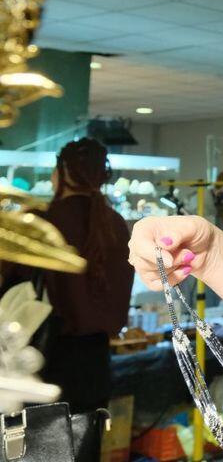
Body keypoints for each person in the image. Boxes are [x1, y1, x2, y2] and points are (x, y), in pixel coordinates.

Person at [13, 138, 132, 412]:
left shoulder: (43, 221)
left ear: (63, 172)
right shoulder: (114, 224)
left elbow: (13, 286)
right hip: (97, 362)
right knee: (88, 433)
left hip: (44, 356)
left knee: (41, 436)